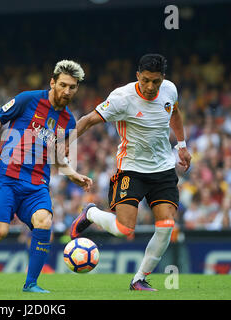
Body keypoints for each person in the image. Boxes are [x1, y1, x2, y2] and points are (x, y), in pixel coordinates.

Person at [0, 60, 92, 293]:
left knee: (44, 220)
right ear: (53, 82)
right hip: (6, 176)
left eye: (73, 87)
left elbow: (57, 156)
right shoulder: (29, 99)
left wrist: (72, 174)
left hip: (37, 183)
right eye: (63, 85)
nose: (67, 91)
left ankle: (31, 284)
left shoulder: (68, 121)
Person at [70, 54, 192, 291]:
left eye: (155, 81)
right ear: (138, 76)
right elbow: (87, 120)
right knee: (124, 229)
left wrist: (182, 146)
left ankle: (139, 278)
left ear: (162, 79)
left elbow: (174, 113)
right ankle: (91, 213)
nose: (149, 87)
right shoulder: (122, 98)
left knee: (166, 225)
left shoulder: (169, 90)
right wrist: (66, 143)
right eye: (145, 80)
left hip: (163, 169)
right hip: (131, 169)